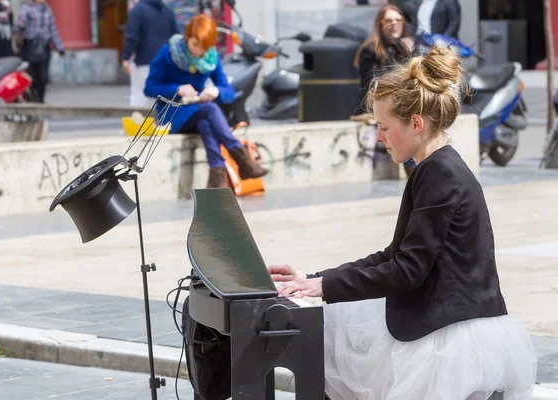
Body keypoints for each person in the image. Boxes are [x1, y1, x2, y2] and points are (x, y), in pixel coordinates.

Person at [269, 46, 537, 399]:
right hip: (444, 315)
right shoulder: (434, 166)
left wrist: (324, 288)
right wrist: (316, 279)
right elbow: (394, 254)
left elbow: (408, 270)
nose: (378, 138)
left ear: (416, 123)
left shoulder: (440, 173)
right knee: (330, 326)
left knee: (330, 334)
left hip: (449, 332)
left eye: (383, 127)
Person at [144, 14, 269, 188]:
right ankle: (244, 161)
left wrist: (215, 90)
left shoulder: (211, 58)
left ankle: (217, 178)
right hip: (173, 115)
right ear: (187, 37)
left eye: (204, 47)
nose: (198, 51)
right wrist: (177, 89)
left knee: (206, 121)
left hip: (199, 113)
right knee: (209, 110)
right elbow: (150, 87)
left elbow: (228, 91)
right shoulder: (168, 53)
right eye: (195, 44)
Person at [353, 4, 417, 174]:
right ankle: (414, 174)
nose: (394, 24)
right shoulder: (370, 49)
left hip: (403, 105)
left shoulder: (407, 47)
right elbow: (375, 82)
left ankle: (418, 174)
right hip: (379, 106)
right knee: (404, 123)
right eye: (389, 20)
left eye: (398, 20)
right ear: (380, 24)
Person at [122, 0, 179, 107]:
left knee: (140, 97)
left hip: (144, 60)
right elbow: (175, 38)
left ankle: (141, 123)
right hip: (166, 62)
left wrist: (126, 57)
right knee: (162, 97)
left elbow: (132, 37)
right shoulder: (168, 11)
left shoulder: (138, 10)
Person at [16, 0, 64, 103]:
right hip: (30, 46)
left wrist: (59, 47)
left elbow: (53, 29)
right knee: (32, 75)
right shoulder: (27, 7)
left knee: (43, 76)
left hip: (44, 47)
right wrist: (21, 25)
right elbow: (20, 22)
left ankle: (41, 98)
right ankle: (33, 96)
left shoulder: (47, 10)